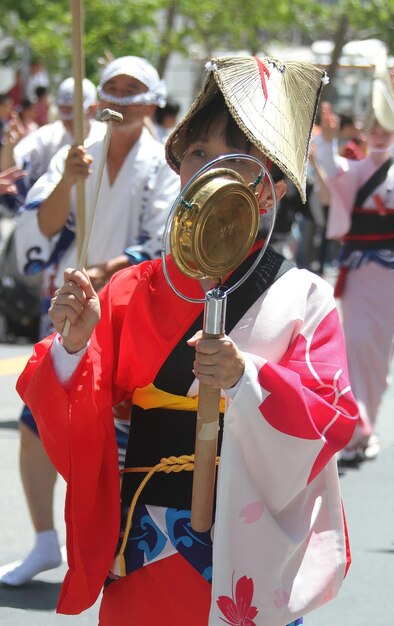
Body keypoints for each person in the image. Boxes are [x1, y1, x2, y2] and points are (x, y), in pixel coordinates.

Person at [16, 56, 358, 626]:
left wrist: (246, 379)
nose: (208, 169)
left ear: (270, 188)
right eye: (197, 153)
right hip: (147, 539)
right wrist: (74, 346)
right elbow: (77, 401)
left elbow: (331, 415)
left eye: (233, 156)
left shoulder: (306, 297)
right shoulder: (134, 287)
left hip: (245, 541)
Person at [2, 57, 179, 588]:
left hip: (129, 313)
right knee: (39, 418)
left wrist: (110, 270)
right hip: (68, 309)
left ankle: (115, 541)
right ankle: (43, 541)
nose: (121, 99)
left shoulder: (167, 164)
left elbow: (164, 238)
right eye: (112, 89)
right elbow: (37, 236)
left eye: (133, 90)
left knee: (113, 434)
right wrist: (67, 183)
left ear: (152, 101)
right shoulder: (75, 154)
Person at [317, 59, 394, 463]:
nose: (378, 133)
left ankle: (367, 424)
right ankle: (360, 430)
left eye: (386, 126)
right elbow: (328, 167)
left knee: (380, 353)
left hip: (391, 273)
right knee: (356, 347)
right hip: (358, 272)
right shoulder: (355, 168)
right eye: (372, 125)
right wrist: (325, 139)